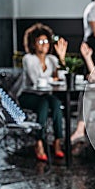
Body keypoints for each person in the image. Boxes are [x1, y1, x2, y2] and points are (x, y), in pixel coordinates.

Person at [19, 23, 68, 161]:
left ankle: (57, 141)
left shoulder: (52, 59)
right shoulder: (28, 59)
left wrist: (62, 59)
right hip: (28, 95)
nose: (44, 44)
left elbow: (63, 78)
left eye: (46, 41)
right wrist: (53, 78)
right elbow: (36, 81)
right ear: (33, 43)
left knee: (56, 104)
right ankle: (39, 142)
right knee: (44, 104)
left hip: (46, 96)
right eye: (40, 41)